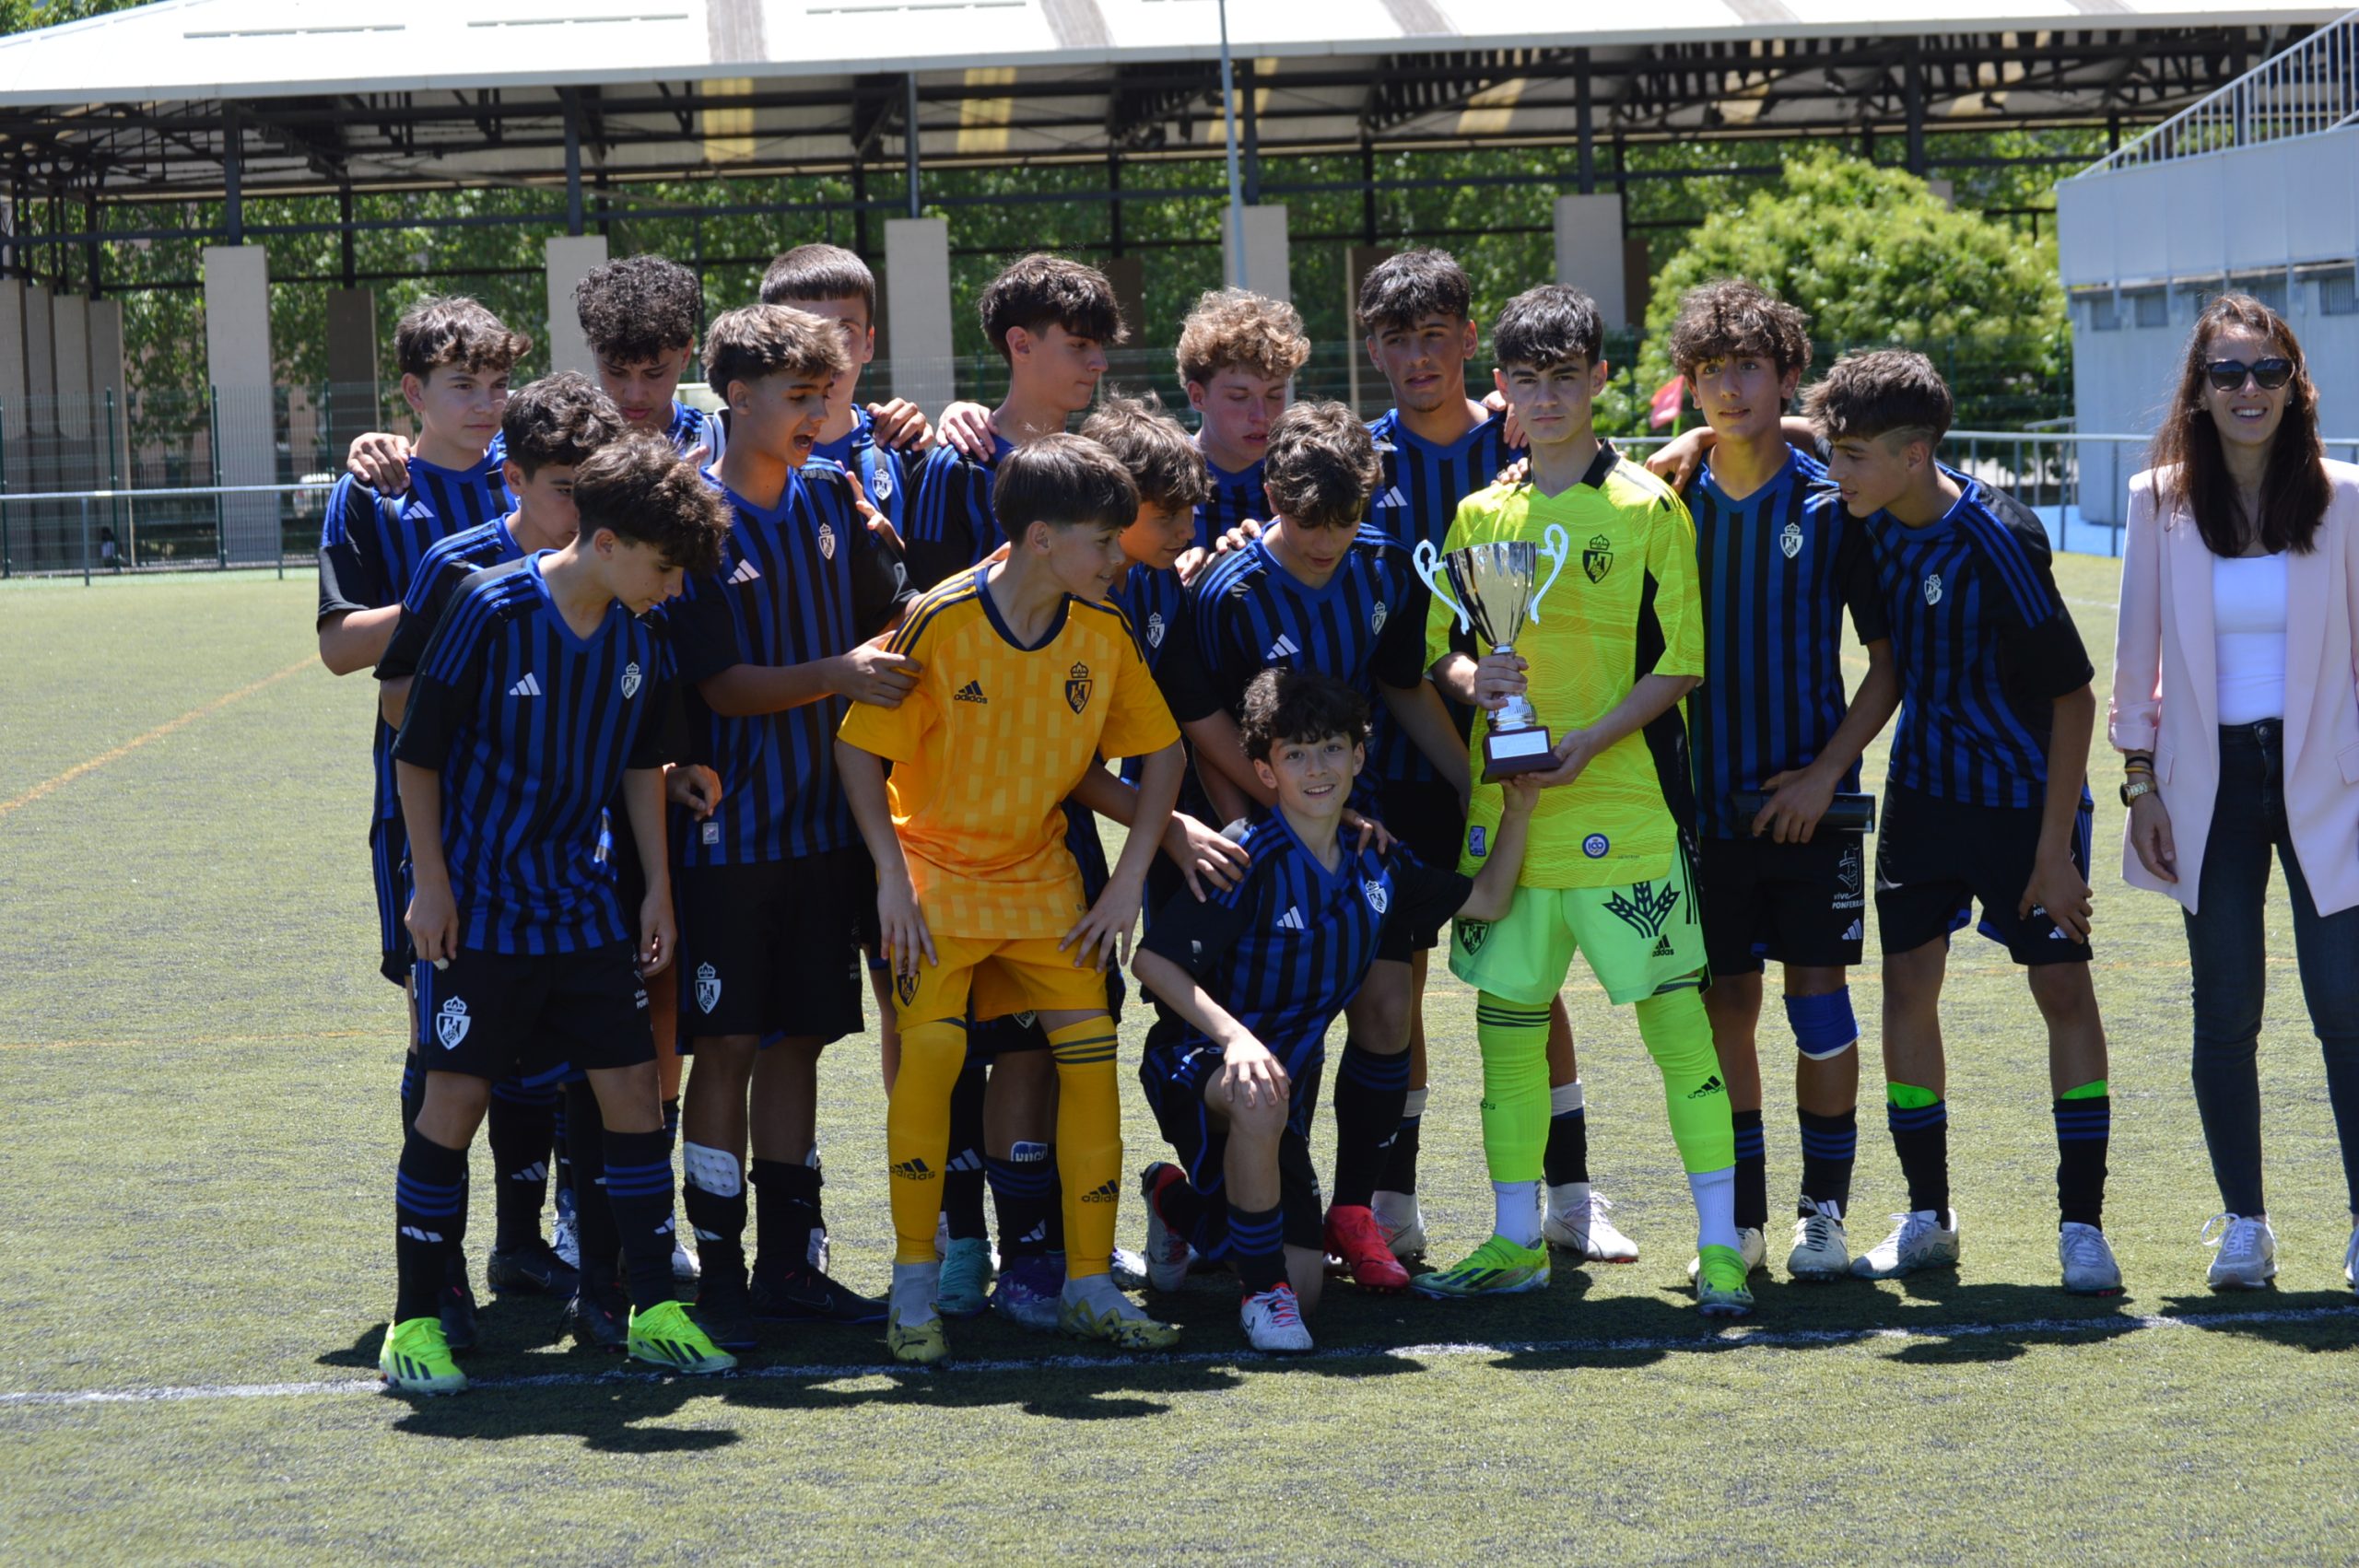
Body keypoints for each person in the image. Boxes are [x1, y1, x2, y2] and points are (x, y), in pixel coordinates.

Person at [381, 431, 734, 1394]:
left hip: (583, 908)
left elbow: (638, 766)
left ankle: (653, 1310)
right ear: (608, 539)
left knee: (631, 1098)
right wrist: (432, 882)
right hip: (482, 911)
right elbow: (417, 754)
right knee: (453, 1102)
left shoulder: (639, 634)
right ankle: (416, 1323)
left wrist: (654, 885)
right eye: (663, 569)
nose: (670, 590)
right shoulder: (488, 606)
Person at [1421, 283, 1749, 1316]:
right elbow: (1452, 653)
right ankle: (1516, 1235)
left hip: (1625, 813)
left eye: (1567, 376)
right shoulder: (1482, 512)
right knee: (1506, 1028)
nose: (1548, 397)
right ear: (1503, 388)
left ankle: (1719, 1241)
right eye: (1528, 379)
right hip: (1512, 818)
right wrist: (1481, 683)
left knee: (1675, 1028)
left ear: (1600, 380)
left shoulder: (1648, 508)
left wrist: (1586, 742)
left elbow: (1680, 666)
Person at [838, 433, 1188, 1365]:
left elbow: (1164, 756)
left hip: (1043, 882)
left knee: (1088, 1057)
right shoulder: (940, 620)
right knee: (934, 1058)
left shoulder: (1102, 632)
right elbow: (857, 748)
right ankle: (915, 1292)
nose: (1120, 558)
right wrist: (889, 877)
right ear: (1040, 539)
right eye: (1104, 542)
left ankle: (1086, 1285)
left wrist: (1125, 881)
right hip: (935, 879)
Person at [1812, 349, 2120, 1294]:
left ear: (1914, 456)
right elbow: (1895, 663)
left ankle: (2080, 1224)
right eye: (1832, 449)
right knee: (1906, 989)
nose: (1837, 471)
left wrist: (2053, 855)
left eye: (1853, 454)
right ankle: (1927, 1215)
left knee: (2063, 996)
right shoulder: (1864, 517)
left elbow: (2072, 695)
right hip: (1922, 799)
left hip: (2026, 801)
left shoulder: (1999, 536)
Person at [1134, 668, 1535, 1351]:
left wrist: (1521, 809)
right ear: (1265, 771)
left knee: (1311, 1289)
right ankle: (1262, 1299)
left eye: (1329, 750)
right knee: (1259, 1116)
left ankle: (1174, 1201)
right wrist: (1236, 1041)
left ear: (1359, 755)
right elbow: (1152, 962)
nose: (1315, 769)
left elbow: (1490, 900)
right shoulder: (1245, 857)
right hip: (1198, 1065)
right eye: (1294, 755)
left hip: (1282, 1088)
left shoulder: (1377, 860)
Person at [665, 305, 914, 1346]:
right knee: (723, 1047)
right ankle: (716, 1263)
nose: (819, 413)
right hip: (726, 845)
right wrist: (835, 674)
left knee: (802, 1045)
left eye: (828, 394)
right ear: (737, 396)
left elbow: (893, 616)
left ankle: (789, 1261)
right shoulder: (695, 518)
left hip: (826, 834)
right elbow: (719, 686)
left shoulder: (831, 498)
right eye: (798, 395)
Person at [1184, 400, 1473, 1293]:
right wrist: (1266, 829)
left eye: (1344, 523)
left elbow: (1405, 686)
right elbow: (1201, 720)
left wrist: (1475, 788)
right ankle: (1209, 1208)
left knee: (1389, 1009)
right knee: (1277, 1040)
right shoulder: (1226, 588)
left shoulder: (1384, 568)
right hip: (1263, 840)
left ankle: (1357, 1210)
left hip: (1365, 827)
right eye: (1309, 523)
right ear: (1270, 493)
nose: (1326, 541)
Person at [2110, 293, 2359, 1296]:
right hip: (2203, 786)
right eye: (2225, 374)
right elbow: (2134, 662)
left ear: (2294, 386)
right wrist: (2140, 781)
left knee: (2344, 1009)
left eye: (2264, 372)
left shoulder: (2343, 496)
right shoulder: (2157, 500)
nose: (2246, 390)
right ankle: (2245, 1227)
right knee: (2226, 1010)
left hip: (2329, 786)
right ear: (2199, 391)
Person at [1666, 281, 1900, 1282]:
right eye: (1710, 369)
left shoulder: (1832, 501)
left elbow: (1887, 662)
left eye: (1749, 366)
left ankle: (1824, 1215)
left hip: (1813, 812)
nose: (1729, 387)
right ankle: (1745, 1218)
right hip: (1705, 809)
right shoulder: (1667, 498)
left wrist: (1822, 775)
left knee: (1819, 1005)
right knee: (1725, 1012)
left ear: (1785, 375)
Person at [314, 295, 527, 1350]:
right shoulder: (377, 495)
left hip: (546, 784)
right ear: (411, 394)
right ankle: (433, 1264)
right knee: (438, 1023)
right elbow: (341, 646)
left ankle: (525, 1238)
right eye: (462, 387)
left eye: (497, 386)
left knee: (536, 1011)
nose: (486, 407)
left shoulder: (532, 473)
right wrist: (449, 597)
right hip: (424, 795)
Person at [1177, 287, 1307, 557]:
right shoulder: (1162, 483)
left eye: (1274, 395)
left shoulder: (1302, 480)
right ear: (1197, 396)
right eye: (1239, 397)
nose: (1261, 415)